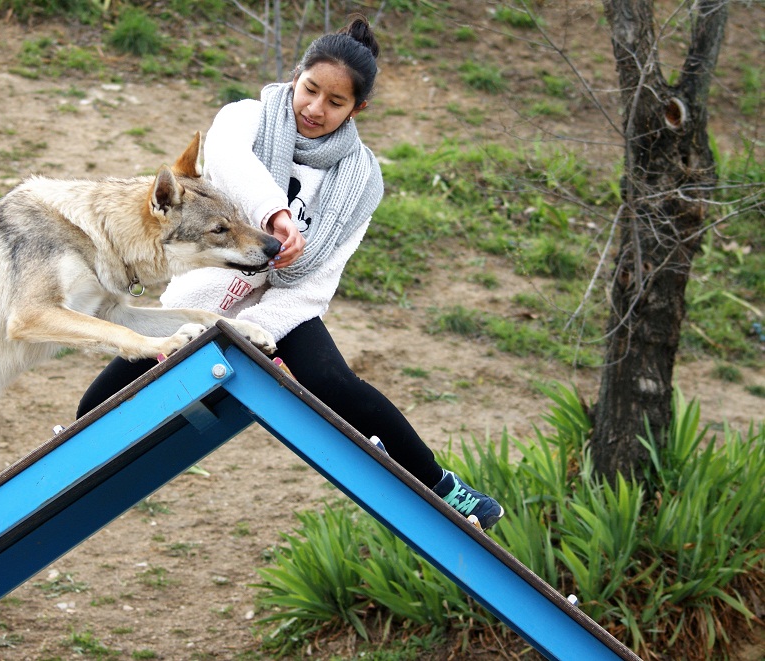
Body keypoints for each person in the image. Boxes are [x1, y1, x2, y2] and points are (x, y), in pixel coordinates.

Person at [77, 16, 503, 530]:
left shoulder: (360, 180)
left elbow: (319, 281)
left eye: (335, 102)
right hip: (209, 294)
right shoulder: (246, 120)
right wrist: (275, 215)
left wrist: (259, 336)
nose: (315, 108)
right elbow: (229, 160)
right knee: (102, 397)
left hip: (284, 307)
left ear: (357, 109)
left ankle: (442, 486)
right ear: (296, 76)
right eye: (310, 89)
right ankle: (75, 464)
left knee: (332, 381)